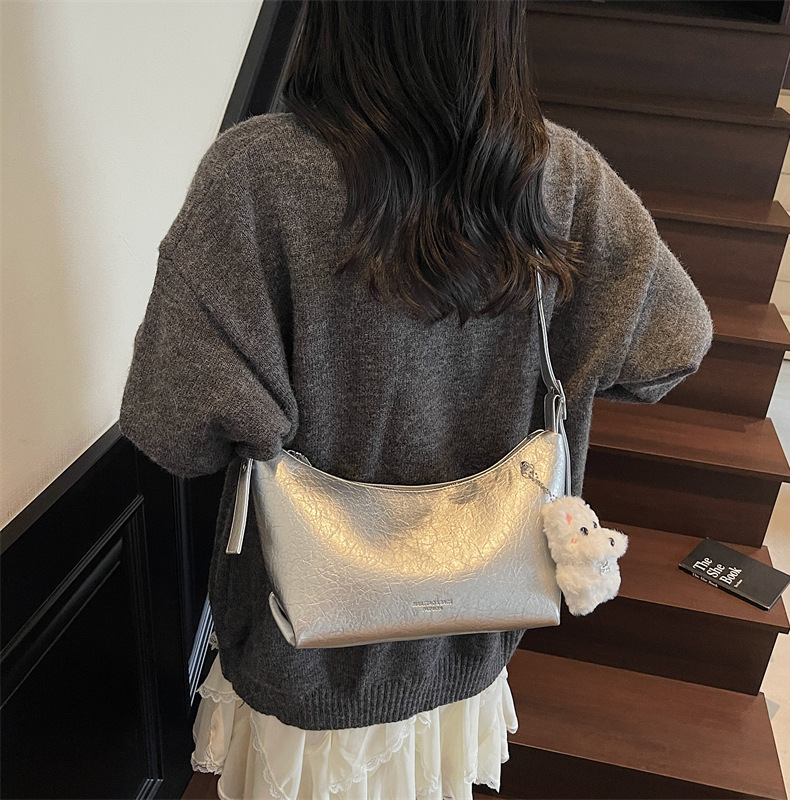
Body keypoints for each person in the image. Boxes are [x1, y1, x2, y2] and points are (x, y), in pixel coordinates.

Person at [118, 1, 714, 798]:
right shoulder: (561, 175)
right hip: (469, 635)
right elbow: (674, 346)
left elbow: (174, 428)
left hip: (306, 645)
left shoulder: (257, 174)